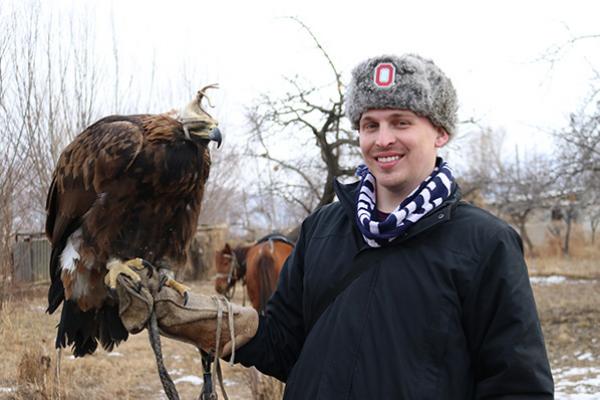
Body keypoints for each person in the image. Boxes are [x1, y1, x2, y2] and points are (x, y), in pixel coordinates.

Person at [118, 53, 554, 399]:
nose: (383, 139)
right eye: (370, 125)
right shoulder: (324, 228)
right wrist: (196, 317)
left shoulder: (485, 243)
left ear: (440, 133)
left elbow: (517, 385)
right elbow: (284, 345)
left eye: (401, 122)